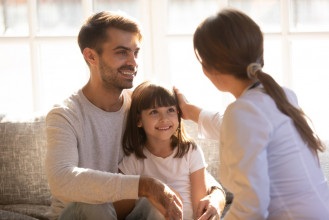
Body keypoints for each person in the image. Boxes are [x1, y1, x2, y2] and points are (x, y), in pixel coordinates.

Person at [45, 11, 225, 220]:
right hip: (80, 214)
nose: (133, 62)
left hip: (127, 214)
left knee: (159, 206)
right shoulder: (64, 115)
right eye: (122, 53)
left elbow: (180, 162)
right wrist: (145, 186)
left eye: (135, 53)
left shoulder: (142, 107)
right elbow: (62, 180)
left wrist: (216, 197)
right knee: (98, 207)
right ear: (91, 56)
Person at [174, 8, 329, 219]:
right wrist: (191, 112)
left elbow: (251, 207)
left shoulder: (243, 113)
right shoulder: (280, 96)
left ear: (209, 68)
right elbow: (237, 128)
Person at [118, 81, 208, 220]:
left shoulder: (190, 151)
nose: (164, 119)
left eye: (170, 110)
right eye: (154, 112)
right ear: (139, 120)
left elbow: (200, 206)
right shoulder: (134, 160)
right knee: (156, 208)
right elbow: (118, 208)